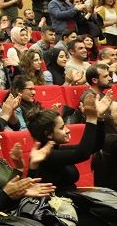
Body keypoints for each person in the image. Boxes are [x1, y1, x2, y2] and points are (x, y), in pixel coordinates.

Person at [27, 93, 116, 224]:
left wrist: (100, 118)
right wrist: (91, 119)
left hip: (72, 203)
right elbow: (82, 154)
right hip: (57, 212)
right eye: (62, 128)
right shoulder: (45, 156)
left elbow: (95, 146)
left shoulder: (56, 150)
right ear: (49, 134)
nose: (68, 130)